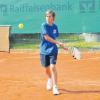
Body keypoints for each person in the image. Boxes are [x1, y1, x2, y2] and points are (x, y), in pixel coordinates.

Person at [40, 10, 66, 95]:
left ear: (53, 17)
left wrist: (61, 45)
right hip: (44, 50)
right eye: (47, 16)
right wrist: (58, 43)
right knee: (46, 68)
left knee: (53, 67)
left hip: (53, 51)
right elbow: (46, 38)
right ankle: (50, 79)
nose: (48, 18)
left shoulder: (55, 27)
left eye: (50, 16)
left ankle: (55, 87)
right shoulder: (44, 25)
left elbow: (55, 38)